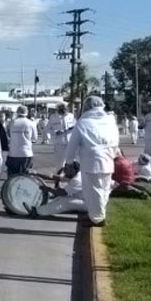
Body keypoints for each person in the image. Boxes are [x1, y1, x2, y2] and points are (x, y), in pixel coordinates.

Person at [63, 96, 120, 226]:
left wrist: (69, 162)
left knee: (93, 191)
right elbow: (116, 142)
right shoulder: (110, 121)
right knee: (104, 189)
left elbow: (72, 145)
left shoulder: (83, 123)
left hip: (91, 162)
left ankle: (97, 219)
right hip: (108, 161)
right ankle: (98, 215)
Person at [6, 105, 38, 176]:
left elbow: (8, 135)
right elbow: (34, 138)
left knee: (12, 176)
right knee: (27, 176)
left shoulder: (11, 123)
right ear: (27, 112)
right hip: (26, 153)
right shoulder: (31, 123)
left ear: (17, 112)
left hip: (13, 153)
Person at [47, 103, 76, 168]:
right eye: (62, 110)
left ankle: (70, 176)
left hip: (70, 141)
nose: (64, 112)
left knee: (71, 161)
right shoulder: (53, 117)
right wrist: (55, 132)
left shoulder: (71, 116)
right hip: (59, 143)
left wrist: (71, 128)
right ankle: (59, 176)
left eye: (65, 110)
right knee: (60, 163)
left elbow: (75, 126)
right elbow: (48, 129)